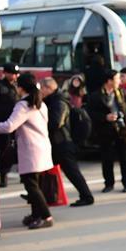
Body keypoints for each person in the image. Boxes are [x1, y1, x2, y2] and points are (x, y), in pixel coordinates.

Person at [0, 73, 55, 229]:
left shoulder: (23, 105)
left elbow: (9, 126)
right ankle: (36, 215)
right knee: (36, 184)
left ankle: (46, 216)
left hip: (31, 150)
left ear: (20, 88)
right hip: (42, 147)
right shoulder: (41, 103)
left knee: (31, 185)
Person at [39, 78, 95, 207]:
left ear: (48, 88)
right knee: (42, 169)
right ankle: (39, 195)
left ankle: (87, 196)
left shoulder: (59, 102)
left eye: (42, 88)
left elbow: (56, 122)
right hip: (56, 143)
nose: (40, 91)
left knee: (72, 172)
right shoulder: (52, 100)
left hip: (63, 143)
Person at [87, 69, 126, 193]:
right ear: (109, 81)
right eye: (117, 79)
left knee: (125, 157)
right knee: (107, 158)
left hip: (122, 129)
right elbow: (90, 113)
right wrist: (105, 117)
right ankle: (109, 183)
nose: (119, 81)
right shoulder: (95, 96)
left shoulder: (121, 92)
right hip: (105, 130)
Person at [0, 63, 20, 187]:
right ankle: (3, 176)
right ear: (5, 73)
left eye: (16, 74)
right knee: (5, 149)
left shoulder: (19, 86)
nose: (14, 76)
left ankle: (23, 174)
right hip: (4, 121)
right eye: (12, 73)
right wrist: (1, 114)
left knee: (20, 147)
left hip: (18, 121)